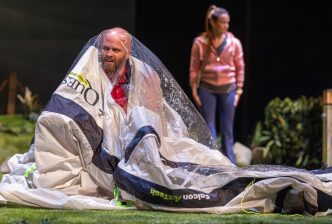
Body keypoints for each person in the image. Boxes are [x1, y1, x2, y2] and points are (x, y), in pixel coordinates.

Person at [1, 27, 332, 216]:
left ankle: (295, 184)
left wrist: (136, 138)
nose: (108, 55)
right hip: (100, 153)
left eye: (115, 50)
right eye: (105, 49)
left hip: (138, 148)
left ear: (127, 52)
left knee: (205, 173)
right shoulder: (92, 73)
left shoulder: (143, 75)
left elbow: (154, 121)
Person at [189, 5, 245, 164]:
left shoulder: (234, 43)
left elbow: (240, 66)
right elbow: (194, 67)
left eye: (228, 22)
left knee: (228, 130)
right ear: (213, 22)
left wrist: (239, 90)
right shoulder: (200, 43)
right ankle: (213, 164)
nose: (226, 26)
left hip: (229, 89)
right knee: (210, 129)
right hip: (207, 89)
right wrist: (194, 89)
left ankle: (231, 165)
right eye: (223, 22)